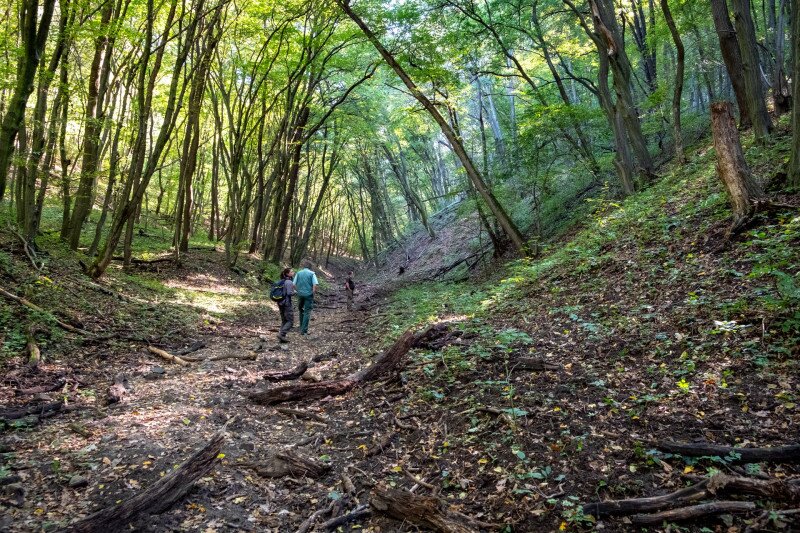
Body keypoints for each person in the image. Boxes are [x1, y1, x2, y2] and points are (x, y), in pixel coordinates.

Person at [293, 259, 319, 336]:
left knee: (300, 309)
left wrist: (297, 291)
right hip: (308, 295)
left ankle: (301, 327)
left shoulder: (298, 273)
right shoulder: (312, 274)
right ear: (310, 267)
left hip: (300, 294)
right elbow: (315, 285)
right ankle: (304, 330)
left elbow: (293, 284)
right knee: (307, 312)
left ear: (303, 266)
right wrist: (313, 293)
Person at [277, 268, 295, 343]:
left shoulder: (281, 281)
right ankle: (282, 334)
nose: (293, 272)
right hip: (286, 303)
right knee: (290, 321)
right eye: (291, 271)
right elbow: (289, 293)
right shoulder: (289, 282)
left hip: (280, 302)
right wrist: (295, 292)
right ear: (288, 274)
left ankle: (282, 337)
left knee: (284, 320)